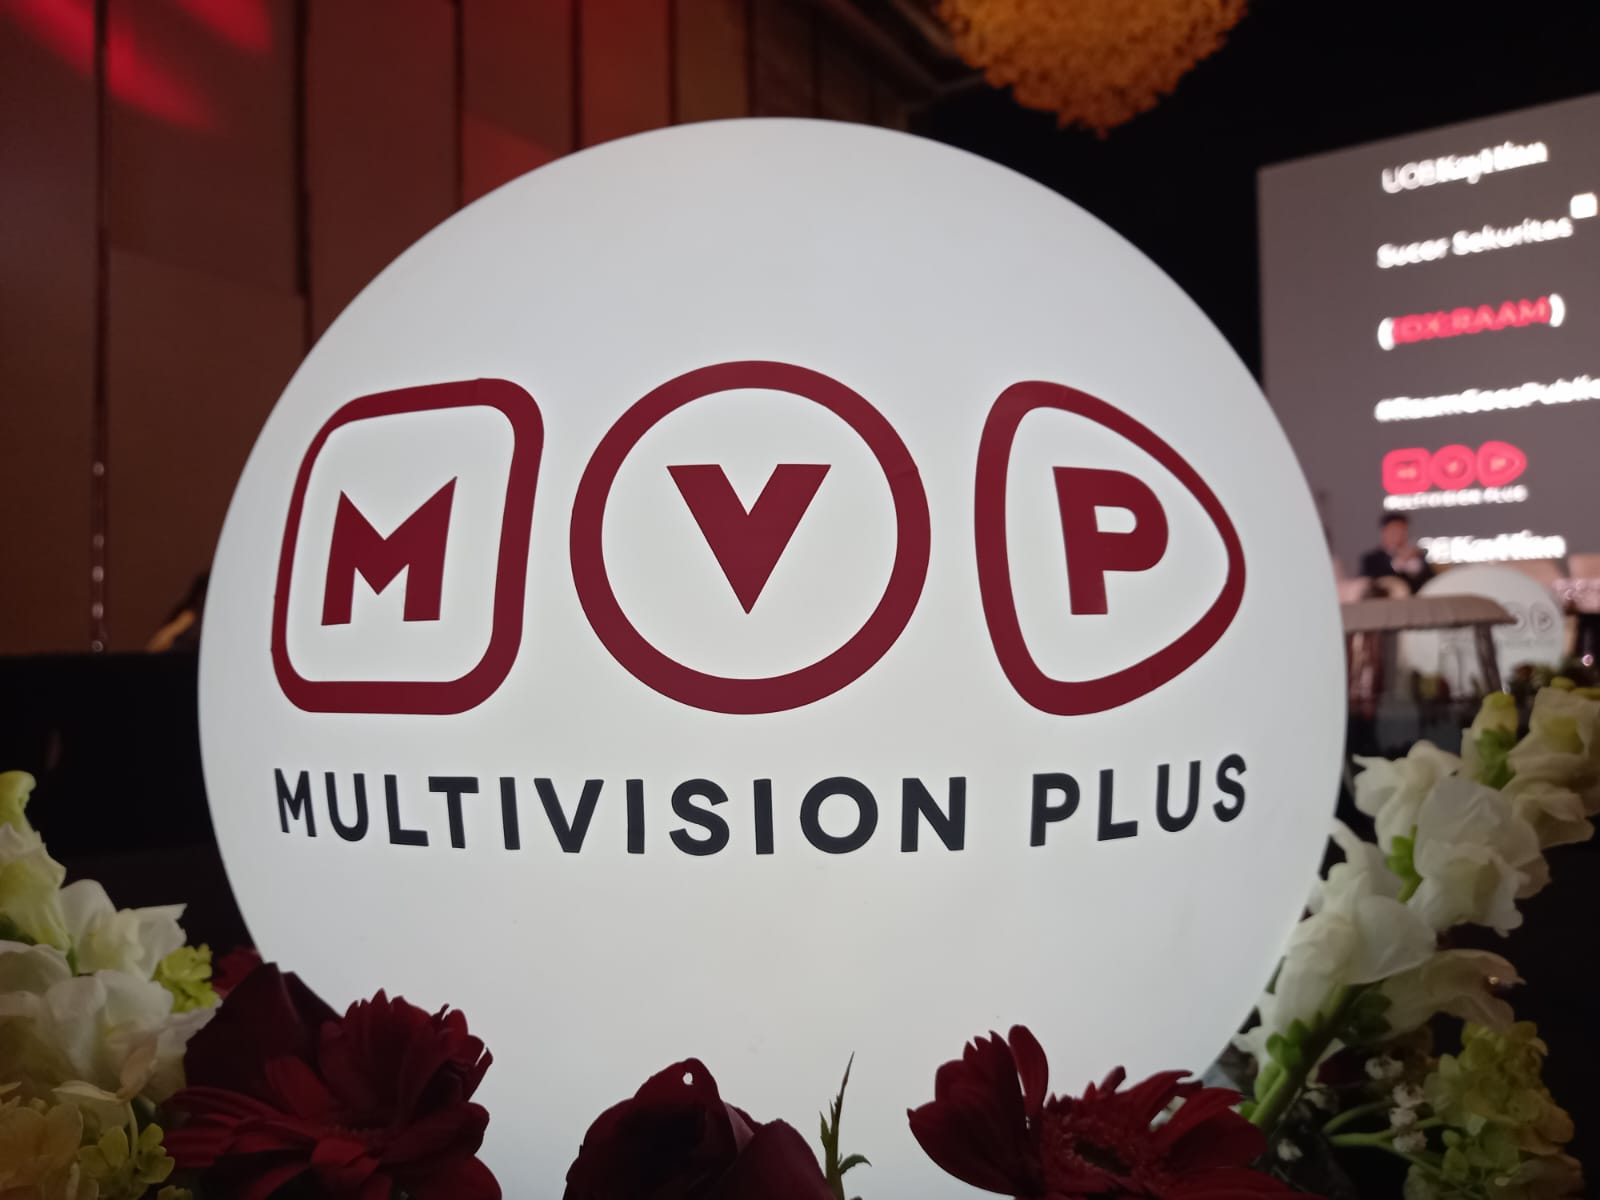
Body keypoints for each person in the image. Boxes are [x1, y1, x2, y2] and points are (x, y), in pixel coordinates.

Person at [1360, 514, 1433, 594]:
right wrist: (1399, 563)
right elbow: (1369, 584)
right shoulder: (1371, 559)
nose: (1398, 535)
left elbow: (1431, 581)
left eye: (1402, 530)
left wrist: (1414, 564)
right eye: (1394, 531)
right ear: (1384, 531)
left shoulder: (1417, 556)